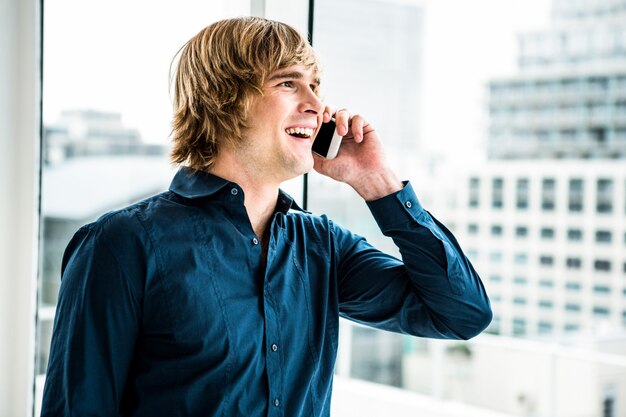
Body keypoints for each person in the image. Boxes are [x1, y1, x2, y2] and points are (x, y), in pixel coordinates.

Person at [41, 16, 491, 417]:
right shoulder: (120, 244)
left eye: (316, 86)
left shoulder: (323, 246)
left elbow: (461, 314)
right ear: (225, 99)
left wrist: (379, 185)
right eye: (289, 84)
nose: (317, 106)